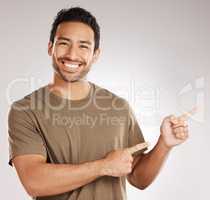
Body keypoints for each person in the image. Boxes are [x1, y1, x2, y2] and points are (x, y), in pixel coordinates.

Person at [8, 7, 190, 200]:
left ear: (95, 54)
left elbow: (138, 178)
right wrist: (103, 166)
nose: (72, 54)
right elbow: (34, 182)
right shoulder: (26, 110)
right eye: (64, 43)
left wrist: (164, 144)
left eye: (83, 46)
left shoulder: (119, 108)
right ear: (50, 47)